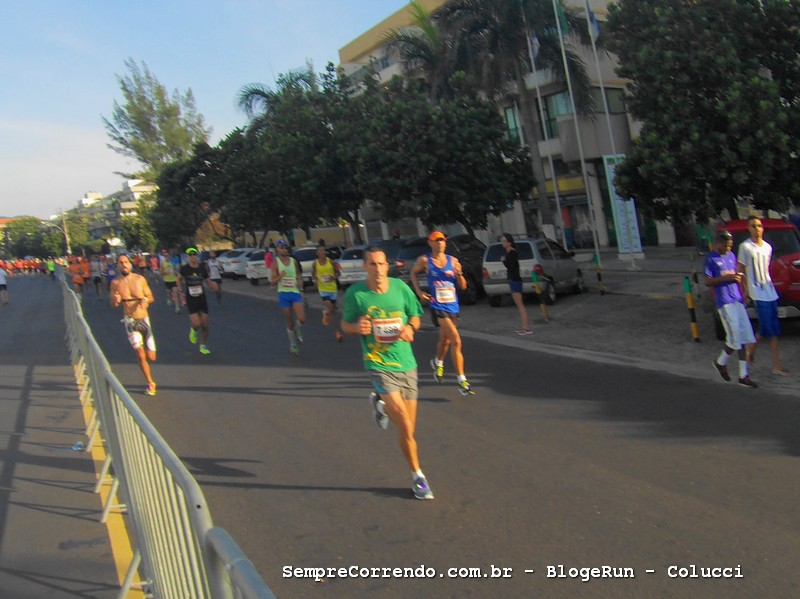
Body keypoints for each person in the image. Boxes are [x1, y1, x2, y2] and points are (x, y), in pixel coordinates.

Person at [341, 245, 434, 500]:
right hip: (379, 363)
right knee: (403, 422)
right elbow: (345, 324)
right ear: (365, 267)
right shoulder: (357, 294)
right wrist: (356, 327)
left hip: (407, 364)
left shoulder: (400, 288)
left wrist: (411, 329)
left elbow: (415, 315)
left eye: (382, 264)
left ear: (387, 265)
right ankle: (418, 477)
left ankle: (379, 404)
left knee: (408, 431)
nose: (378, 269)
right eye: (372, 264)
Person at [410, 230, 474, 395]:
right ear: (430, 243)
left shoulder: (453, 261)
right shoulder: (425, 260)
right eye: (436, 240)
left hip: (453, 306)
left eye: (442, 240)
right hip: (437, 306)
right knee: (456, 341)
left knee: (445, 341)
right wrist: (419, 292)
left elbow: (463, 286)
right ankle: (462, 381)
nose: (440, 243)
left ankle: (437, 362)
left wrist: (459, 273)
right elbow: (413, 273)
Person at [737, 216, 790, 376]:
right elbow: (741, 270)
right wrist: (744, 290)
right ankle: (749, 352)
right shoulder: (745, 247)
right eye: (753, 226)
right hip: (757, 294)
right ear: (749, 228)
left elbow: (766, 269)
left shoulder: (767, 247)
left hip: (770, 292)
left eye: (759, 225)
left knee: (773, 331)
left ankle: (776, 366)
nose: (757, 228)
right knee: (766, 329)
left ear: (762, 228)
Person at [705, 230, 758, 388]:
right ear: (718, 243)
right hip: (725, 302)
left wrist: (739, 281)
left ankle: (743, 375)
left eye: (730, 246)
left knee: (744, 337)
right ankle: (720, 362)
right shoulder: (710, 259)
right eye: (725, 246)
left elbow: (736, 274)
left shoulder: (731, 256)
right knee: (734, 339)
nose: (728, 249)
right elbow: (708, 281)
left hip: (737, 300)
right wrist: (725, 278)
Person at [109, 255, 158, 395]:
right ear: (117, 265)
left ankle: (149, 370)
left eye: (126, 262)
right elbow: (112, 303)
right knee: (140, 354)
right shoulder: (115, 283)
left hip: (144, 319)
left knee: (151, 357)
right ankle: (150, 383)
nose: (124, 265)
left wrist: (145, 301)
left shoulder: (139, 279)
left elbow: (151, 296)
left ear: (130, 264)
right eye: (120, 263)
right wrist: (116, 300)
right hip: (130, 321)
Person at [177, 247, 219, 355]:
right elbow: (178, 279)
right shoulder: (185, 269)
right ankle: (193, 330)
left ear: (197, 256)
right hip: (191, 300)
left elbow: (207, 280)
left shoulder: (202, 268)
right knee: (196, 323)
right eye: (190, 255)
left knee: (205, 324)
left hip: (202, 299)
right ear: (188, 257)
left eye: (194, 255)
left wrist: (213, 285)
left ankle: (203, 346)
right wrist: (181, 292)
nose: (193, 257)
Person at [270, 239, 305, 354]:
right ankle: (293, 345)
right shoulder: (275, 263)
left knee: (301, 319)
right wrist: (281, 275)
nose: (284, 249)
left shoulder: (293, 261)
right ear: (277, 250)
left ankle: (298, 331)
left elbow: (299, 275)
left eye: (285, 247)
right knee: (290, 322)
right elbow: (272, 281)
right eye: (281, 248)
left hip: (294, 292)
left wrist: (300, 281)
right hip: (283, 294)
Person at [500, 233, 532, 335]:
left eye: (504, 241)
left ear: (509, 242)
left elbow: (512, 267)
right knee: (519, 305)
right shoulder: (509, 253)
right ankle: (525, 327)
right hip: (513, 279)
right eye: (502, 241)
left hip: (515, 280)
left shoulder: (512, 253)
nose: (503, 243)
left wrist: (504, 261)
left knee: (520, 305)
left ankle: (526, 328)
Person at [311, 244, 344, 342]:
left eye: (323, 250)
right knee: (331, 308)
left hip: (332, 289)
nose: (322, 252)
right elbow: (313, 274)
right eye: (320, 251)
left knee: (332, 310)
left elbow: (339, 273)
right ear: (317, 253)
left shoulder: (331, 262)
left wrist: (333, 277)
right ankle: (337, 332)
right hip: (323, 290)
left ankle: (326, 313)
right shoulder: (315, 264)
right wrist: (315, 279)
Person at [160, 249, 180, 313]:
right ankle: (168, 298)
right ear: (164, 257)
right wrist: (165, 273)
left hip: (174, 280)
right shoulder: (163, 263)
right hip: (167, 280)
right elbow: (161, 272)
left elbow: (177, 270)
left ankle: (177, 308)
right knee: (168, 292)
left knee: (175, 294)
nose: (167, 257)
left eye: (168, 256)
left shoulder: (173, 262)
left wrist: (176, 272)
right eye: (165, 256)